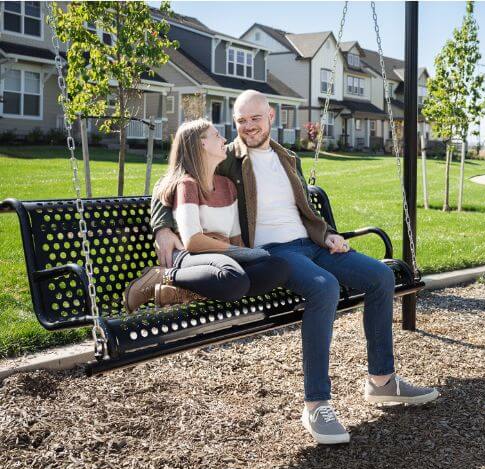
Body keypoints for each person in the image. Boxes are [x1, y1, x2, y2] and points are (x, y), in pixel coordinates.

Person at [151, 91, 438, 445]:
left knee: (381, 276)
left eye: (254, 118)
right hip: (274, 253)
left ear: (271, 116)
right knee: (324, 288)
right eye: (241, 121)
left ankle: (381, 381)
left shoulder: (289, 158)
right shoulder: (228, 158)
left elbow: (303, 210)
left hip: (313, 245)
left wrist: (329, 234)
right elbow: (179, 173)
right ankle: (316, 403)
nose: (248, 127)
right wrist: (162, 226)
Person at [123, 118, 290, 312]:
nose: (224, 139)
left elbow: (236, 240)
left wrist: (243, 253)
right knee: (234, 278)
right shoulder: (187, 185)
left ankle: (184, 293)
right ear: (202, 143)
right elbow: (193, 241)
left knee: (278, 266)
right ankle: (164, 276)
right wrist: (242, 254)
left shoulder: (227, 186)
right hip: (189, 257)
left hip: (221, 258)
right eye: (217, 135)